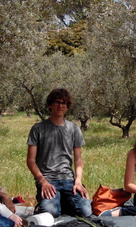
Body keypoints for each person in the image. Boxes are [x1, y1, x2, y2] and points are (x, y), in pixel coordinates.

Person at [27, 88, 92, 218]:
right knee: (51, 212)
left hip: (68, 180)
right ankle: (52, 200)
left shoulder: (74, 129)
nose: (61, 106)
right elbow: (30, 161)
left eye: (64, 103)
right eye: (57, 102)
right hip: (48, 180)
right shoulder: (38, 129)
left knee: (86, 211)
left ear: (67, 107)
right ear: (50, 104)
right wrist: (43, 182)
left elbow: (78, 160)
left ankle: (63, 200)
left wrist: (78, 181)